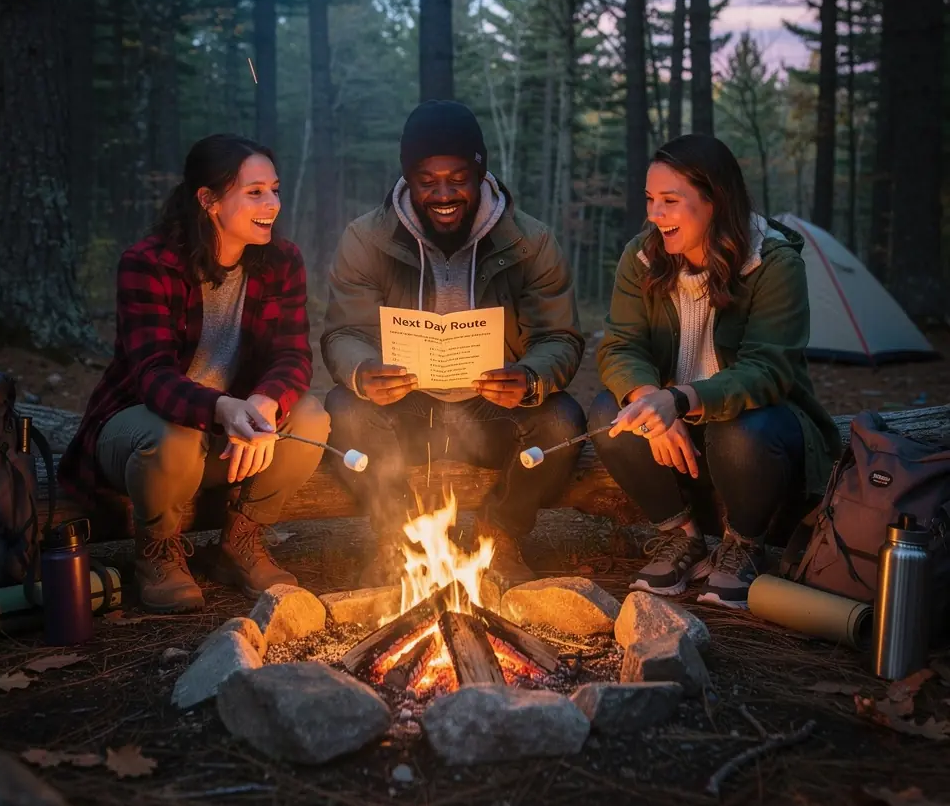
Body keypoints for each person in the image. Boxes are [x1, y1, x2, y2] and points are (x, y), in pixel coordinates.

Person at [321, 100, 586, 590]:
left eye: (458, 178)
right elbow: (344, 333)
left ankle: (501, 536)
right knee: (342, 408)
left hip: (490, 410)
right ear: (408, 177)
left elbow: (559, 337)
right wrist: (364, 371)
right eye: (427, 181)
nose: (443, 194)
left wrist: (528, 378)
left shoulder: (530, 242)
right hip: (403, 408)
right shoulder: (367, 238)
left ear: (481, 172)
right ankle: (399, 541)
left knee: (561, 418)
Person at [58, 134, 329, 613]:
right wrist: (224, 408)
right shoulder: (149, 264)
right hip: (144, 432)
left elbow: (293, 356)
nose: (273, 204)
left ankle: (240, 542)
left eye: (275, 189)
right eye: (255, 192)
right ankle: (158, 552)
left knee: (308, 417)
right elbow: (154, 377)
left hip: (229, 437)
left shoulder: (282, 262)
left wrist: (265, 403)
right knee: (175, 433)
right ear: (208, 200)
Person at [588, 135, 841, 609]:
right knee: (611, 413)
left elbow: (769, 370)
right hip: (678, 431)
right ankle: (682, 536)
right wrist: (648, 398)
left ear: (714, 200)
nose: (654, 214)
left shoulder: (771, 262)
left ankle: (744, 545)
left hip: (758, 429)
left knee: (738, 429)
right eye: (650, 200)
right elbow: (620, 345)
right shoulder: (642, 258)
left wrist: (680, 399)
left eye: (669, 201)